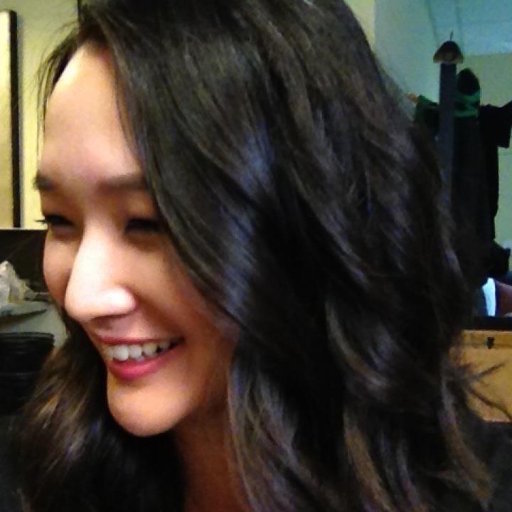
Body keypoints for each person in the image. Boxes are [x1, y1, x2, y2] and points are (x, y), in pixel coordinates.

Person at [17, 0, 510, 511]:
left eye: (147, 222)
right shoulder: (61, 470)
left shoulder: (476, 492)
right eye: (59, 220)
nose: (81, 297)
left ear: (313, 222)